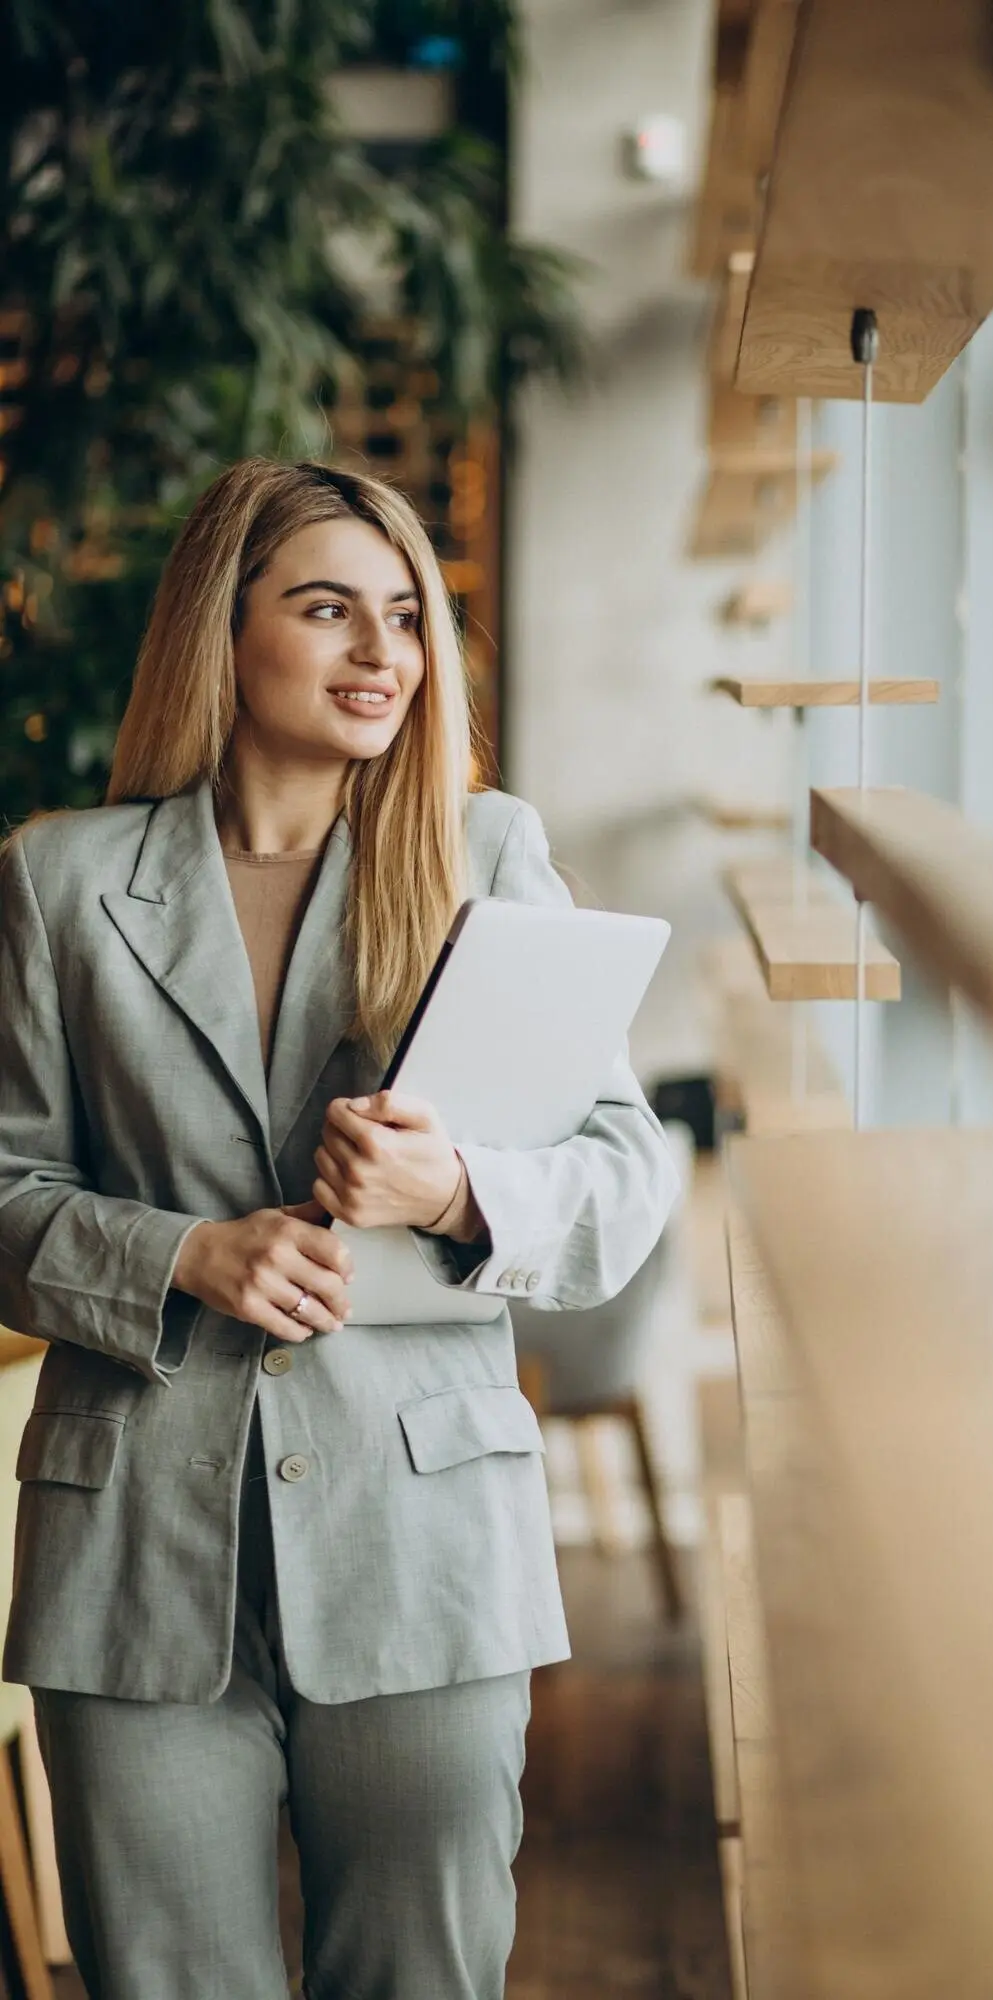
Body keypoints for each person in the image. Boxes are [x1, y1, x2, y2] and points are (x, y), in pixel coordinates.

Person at [0, 457, 679, 2000]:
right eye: (328, 610)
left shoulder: (486, 856)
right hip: (131, 1554)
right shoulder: (60, 881)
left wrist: (454, 1192)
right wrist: (183, 1255)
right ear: (220, 635)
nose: (385, 654)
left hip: (425, 1540)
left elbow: (626, 1176)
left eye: (405, 618)